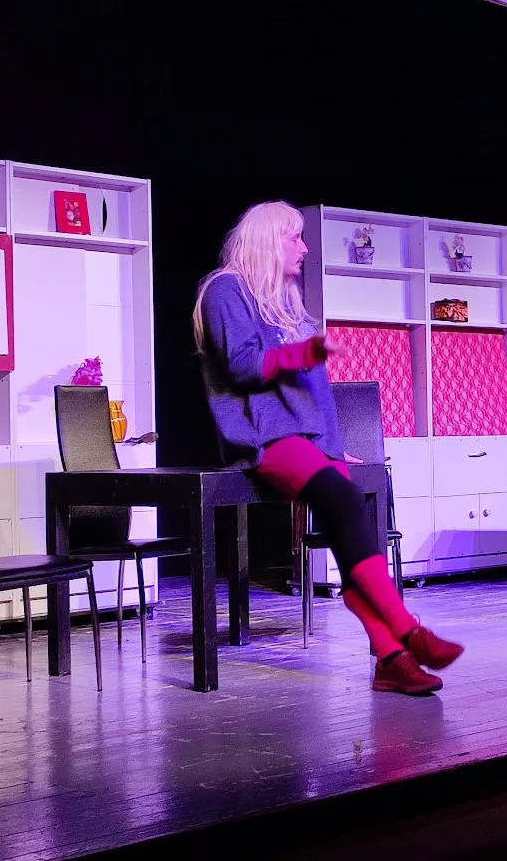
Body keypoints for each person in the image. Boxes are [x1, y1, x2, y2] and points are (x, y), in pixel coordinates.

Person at [193, 200, 464, 695]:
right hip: (266, 436)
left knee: (351, 522)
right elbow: (243, 366)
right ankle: (405, 628)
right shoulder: (226, 290)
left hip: (308, 440)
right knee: (341, 501)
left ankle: (390, 661)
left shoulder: (288, 304)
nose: (304, 248)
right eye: (294, 237)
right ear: (267, 241)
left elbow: (316, 394)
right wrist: (306, 351)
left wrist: (333, 449)